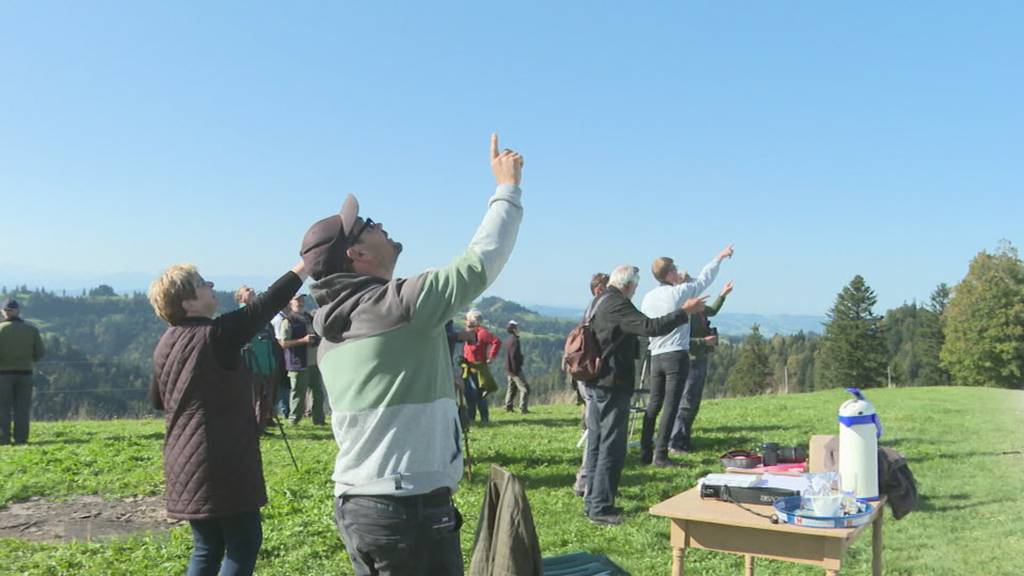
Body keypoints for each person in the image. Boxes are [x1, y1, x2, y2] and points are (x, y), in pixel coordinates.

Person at [301, 134, 523, 575]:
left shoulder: (332, 327)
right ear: (357, 253)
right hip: (407, 508)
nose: (377, 222)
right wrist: (508, 188)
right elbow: (481, 261)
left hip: (363, 504)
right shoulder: (396, 306)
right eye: (365, 224)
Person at [148, 261, 307, 576]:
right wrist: (306, 266)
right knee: (244, 542)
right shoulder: (216, 334)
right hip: (220, 458)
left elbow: (157, 400)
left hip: (182, 457)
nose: (210, 285)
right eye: (202, 283)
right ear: (187, 301)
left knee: (207, 547)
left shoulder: (165, 343)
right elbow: (267, 304)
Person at [583, 265, 704, 525]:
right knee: (612, 445)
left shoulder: (599, 301)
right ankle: (601, 508)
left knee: (596, 441)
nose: (635, 292)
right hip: (612, 382)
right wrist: (684, 312)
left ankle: (591, 500)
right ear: (628, 285)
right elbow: (650, 326)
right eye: (635, 287)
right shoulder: (617, 304)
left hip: (595, 381)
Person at [638, 245, 733, 466]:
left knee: (653, 404)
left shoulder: (648, 298)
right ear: (669, 273)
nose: (678, 271)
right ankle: (660, 455)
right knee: (671, 406)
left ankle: (645, 451)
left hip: (655, 355)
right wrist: (718, 257)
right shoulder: (678, 293)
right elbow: (703, 280)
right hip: (675, 355)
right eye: (675, 269)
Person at [670, 280, 733, 454]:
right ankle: (676, 443)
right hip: (690, 360)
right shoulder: (682, 313)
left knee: (693, 403)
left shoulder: (698, 309)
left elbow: (711, 311)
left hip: (700, 358)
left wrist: (722, 295)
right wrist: (703, 341)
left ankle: (684, 440)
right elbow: (679, 341)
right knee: (686, 403)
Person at [573, 273, 608, 497]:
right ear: (598, 290)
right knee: (596, 432)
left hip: (584, 375)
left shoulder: (589, 311)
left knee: (593, 430)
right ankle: (586, 482)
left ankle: (585, 480)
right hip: (593, 376)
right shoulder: (599, 311)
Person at [234, 285, 281, 434]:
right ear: (240, 297)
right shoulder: (241, 314)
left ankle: (260, 427)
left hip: (267, 361)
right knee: (252, 397)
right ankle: (248, 428)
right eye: (247, 290)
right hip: (251, 363)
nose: (252, 290)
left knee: (265, 397)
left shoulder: (261, 314)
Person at [0, 298, 45, 446]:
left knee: (3, 409)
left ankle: (3, 439)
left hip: (3, 375)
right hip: (25, 374)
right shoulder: (31, 329)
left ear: (3, 312)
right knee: (22, 409)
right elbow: (39, 353)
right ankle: (21, 439)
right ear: (18, 311)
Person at [277, 295, 325, 425]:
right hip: (297, 362)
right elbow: (283, 343)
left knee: (318, 393)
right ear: (291, 303)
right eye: (297, 300)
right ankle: (294, 420)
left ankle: (319, 420)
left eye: (302, 300)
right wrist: (303, 341)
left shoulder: (310, 318)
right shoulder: (288, 321)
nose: (300, 302)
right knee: (298, 393)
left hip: (314, 362)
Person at [463, 308, 501, 400]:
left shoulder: (482, 333)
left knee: (478, 395)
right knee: (470, 395)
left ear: (473, 321)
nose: (465, 321)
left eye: (467, 319)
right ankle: (471, 413)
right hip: (468, 367)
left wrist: (491, 357)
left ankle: (483, 414)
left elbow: (496, 341)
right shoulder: (470, 332)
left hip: (478, 368)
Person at [503, 320, 530, 414]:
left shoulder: (508, 339)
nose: (519, 329)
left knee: (511, 388)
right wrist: (516, 369)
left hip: (509, 368)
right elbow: (514, 356)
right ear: (514, 329)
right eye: (517, 327)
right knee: (525, 389)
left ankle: (508, 406)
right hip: (514, 369)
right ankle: (523, 408)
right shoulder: (515, 340)